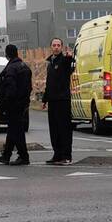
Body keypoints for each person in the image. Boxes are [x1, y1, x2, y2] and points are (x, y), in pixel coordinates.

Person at [0, 44, 33, 166]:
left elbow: (10, 89)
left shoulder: (11, 69)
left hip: (13, 104)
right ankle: (6, 155)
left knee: (17, 131)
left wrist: (4, 103)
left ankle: (24, 156)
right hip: (23, 103)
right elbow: (29, 87)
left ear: (7, 54)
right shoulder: (24, 66)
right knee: (13, 129)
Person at [43, 37, 75, 165]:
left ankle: (66, 156)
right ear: (51, 47)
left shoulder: (64, 60)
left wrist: (69, 58)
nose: (56, 47)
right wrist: (45, 99)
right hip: (52, 100)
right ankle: (57, 154)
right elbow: (49, 83)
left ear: (61, 47)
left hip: (63, 100)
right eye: (54, 45)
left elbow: (69, 65)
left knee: (64, 129)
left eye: (58, 45)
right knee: (54, 129)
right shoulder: (50, 63)